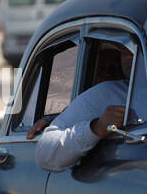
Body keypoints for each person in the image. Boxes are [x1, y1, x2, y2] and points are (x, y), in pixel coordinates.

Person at [31, 43, 131, 172]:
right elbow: (46, 154)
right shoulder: (94, 98)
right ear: (87, 73)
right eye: (101, 69)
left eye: (114, 69)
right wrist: (95, 128)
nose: (107, 74)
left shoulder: (128, 93)